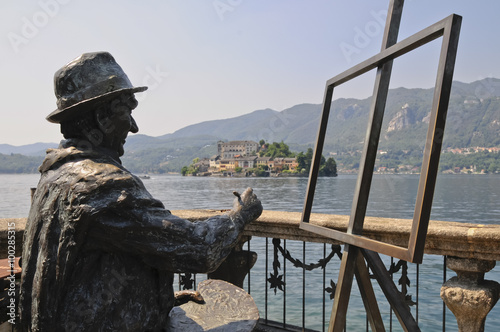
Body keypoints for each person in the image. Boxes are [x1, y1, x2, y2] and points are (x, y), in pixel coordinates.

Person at [19, 52, 262, 331]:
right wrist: (240, 214)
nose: (134, 127)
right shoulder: (100, 186)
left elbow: (87, 272)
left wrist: (156, 299)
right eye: (128, 112)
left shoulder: (54, 174)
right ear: (102, 117)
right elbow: (199, 248)